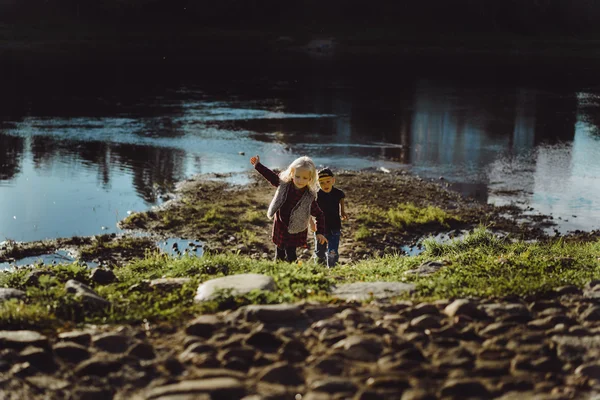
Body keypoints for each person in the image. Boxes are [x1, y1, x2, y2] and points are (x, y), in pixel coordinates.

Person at [250, 155, 327, 263]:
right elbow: (271, 177)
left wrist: (320, 232)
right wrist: (258, 165)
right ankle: (277, 268)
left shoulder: (308, 197)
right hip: (281, 225)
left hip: (295, 228)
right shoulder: (284, 184)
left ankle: (291, 271)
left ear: (310, 179)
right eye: (298, 176)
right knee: (279, 250)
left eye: (305, 178)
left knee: (291, 253)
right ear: (292, 173)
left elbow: (319, 214)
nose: (300, 180)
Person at [311, 168, 348, 267]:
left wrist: (342, 211)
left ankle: (331, 269)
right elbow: (311, 209)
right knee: (319, 252)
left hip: (335, 227)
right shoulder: (317, 195)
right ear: (318, 183)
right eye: (322, 183)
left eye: (328, 181)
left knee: (332, 251)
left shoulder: (337, 193)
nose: (325, 185)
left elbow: (341, 198)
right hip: (321, 229)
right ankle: (318, 269)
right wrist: (311, 222)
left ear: (333, 180)